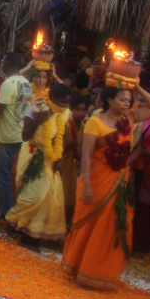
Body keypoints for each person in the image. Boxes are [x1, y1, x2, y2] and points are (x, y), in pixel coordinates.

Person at [62, 85, 150, 290]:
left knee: (112, 227)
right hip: (96, 182)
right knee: (91, 225)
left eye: (129, 100)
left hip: (119, 183)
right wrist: (86, 184)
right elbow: (86, 155)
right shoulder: (95, 122)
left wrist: (137, 87)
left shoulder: (129, 118)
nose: (127, 104)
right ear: (109, 100)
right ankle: (82, 269)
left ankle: (98, 273)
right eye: (122, 99)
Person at [5, 83, 73, 252]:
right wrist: (37, 121)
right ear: (52, 98)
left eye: (67, 103)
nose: (64, 106)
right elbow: (25, 135)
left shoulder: (64, 114)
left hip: (50, 159)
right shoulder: (36, 110)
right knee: (33, 197)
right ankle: (14, 221)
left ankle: (31, 239)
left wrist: (60, 157)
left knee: (46, 199)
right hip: (32, 155)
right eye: (62, 102)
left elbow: (61, 136)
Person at [0, 52, 33, 221]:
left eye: (2, 62)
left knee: (2, 174)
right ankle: (0, 207)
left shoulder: (8, 84)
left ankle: (6, 213)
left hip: (9, 136)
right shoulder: (25, 81)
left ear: (7, 63)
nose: (1, 65)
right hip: (19, 133)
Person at [62, 94, 89, 227]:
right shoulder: (67, 125)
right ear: (72, 109)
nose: (81, 113)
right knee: (61, 197)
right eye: (78, 109)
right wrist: (74, 144)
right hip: (61, 165)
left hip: (71, 166)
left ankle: (66, 227)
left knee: (71, 198)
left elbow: (80, 152)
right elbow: (59, 150)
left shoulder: (84, 126)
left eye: (84, 110)